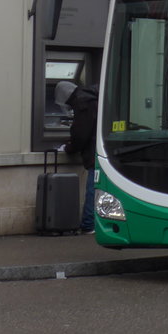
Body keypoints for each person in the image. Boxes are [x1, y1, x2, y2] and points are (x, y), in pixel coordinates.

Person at [55, 80, 97, 233]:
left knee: (92, 188)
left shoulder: (82, 104)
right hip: (103, 148)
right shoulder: (91, 97)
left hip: (94, 152)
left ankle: (88, 224)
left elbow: (81, 134)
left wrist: (69, 148)